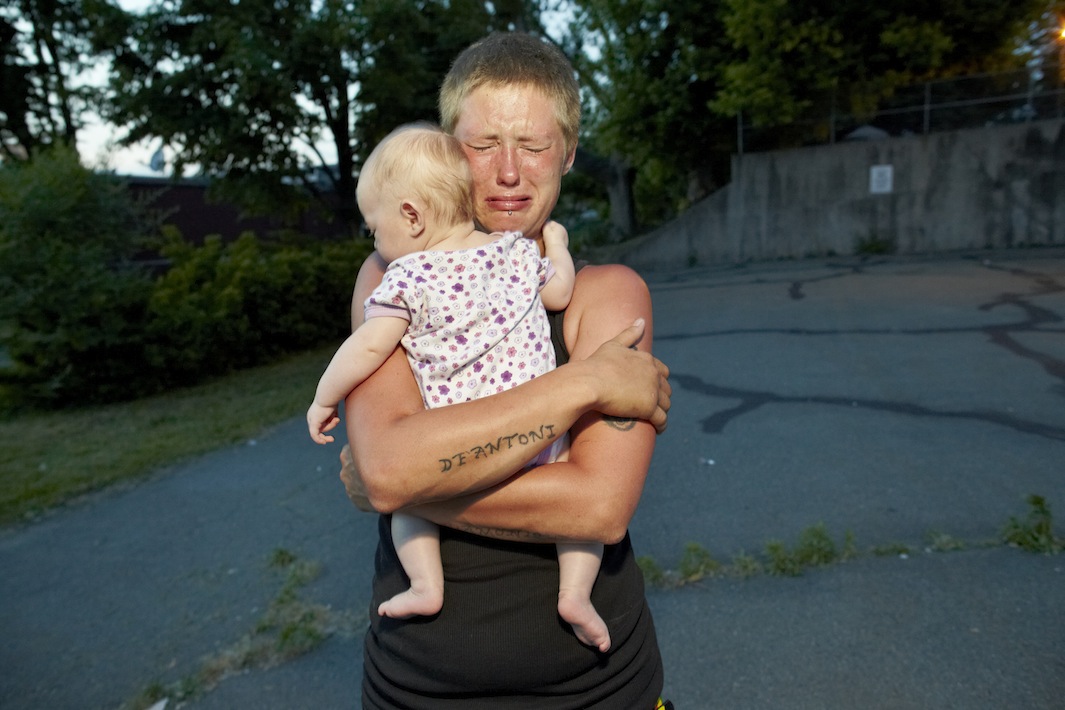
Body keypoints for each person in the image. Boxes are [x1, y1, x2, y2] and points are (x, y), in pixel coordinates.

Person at [341, 32, 673, 708]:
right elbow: (389, 468)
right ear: (445, 150)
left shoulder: (606, 293)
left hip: (597, 691)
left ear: (568, 153)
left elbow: (598, 507)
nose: (509, 172)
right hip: (414, 689)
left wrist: (407, 483)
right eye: (484, 144)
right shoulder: (393, 273)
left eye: (533, 145)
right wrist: (585, 381)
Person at [306, 122, 612, 651]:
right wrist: (558, 244)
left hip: (458, 450)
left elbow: (369, 347)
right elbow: (560, 292)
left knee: (407, 508)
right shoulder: (513, 252)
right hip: (542, 436)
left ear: (411, 216)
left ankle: (426, 585)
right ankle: (576, 594)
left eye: (374, 229)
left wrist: (323, 397)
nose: (375, 243)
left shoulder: (407, 278)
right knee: (576, 518)